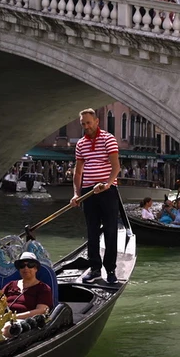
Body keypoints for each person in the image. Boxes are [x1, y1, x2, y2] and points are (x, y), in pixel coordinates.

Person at [71, 108, 120, 284]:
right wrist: (76, 194)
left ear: (96, 121)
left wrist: (107, 184)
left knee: (110, 231)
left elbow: (116, 167)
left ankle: (111, 269)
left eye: (88, 123)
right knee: (92, 231)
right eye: (83, 124)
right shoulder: (81, 144)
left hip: (107, 191)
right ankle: (95, 268)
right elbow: (78, 173)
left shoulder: (109, 139)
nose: (86, 126)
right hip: (88, 192)